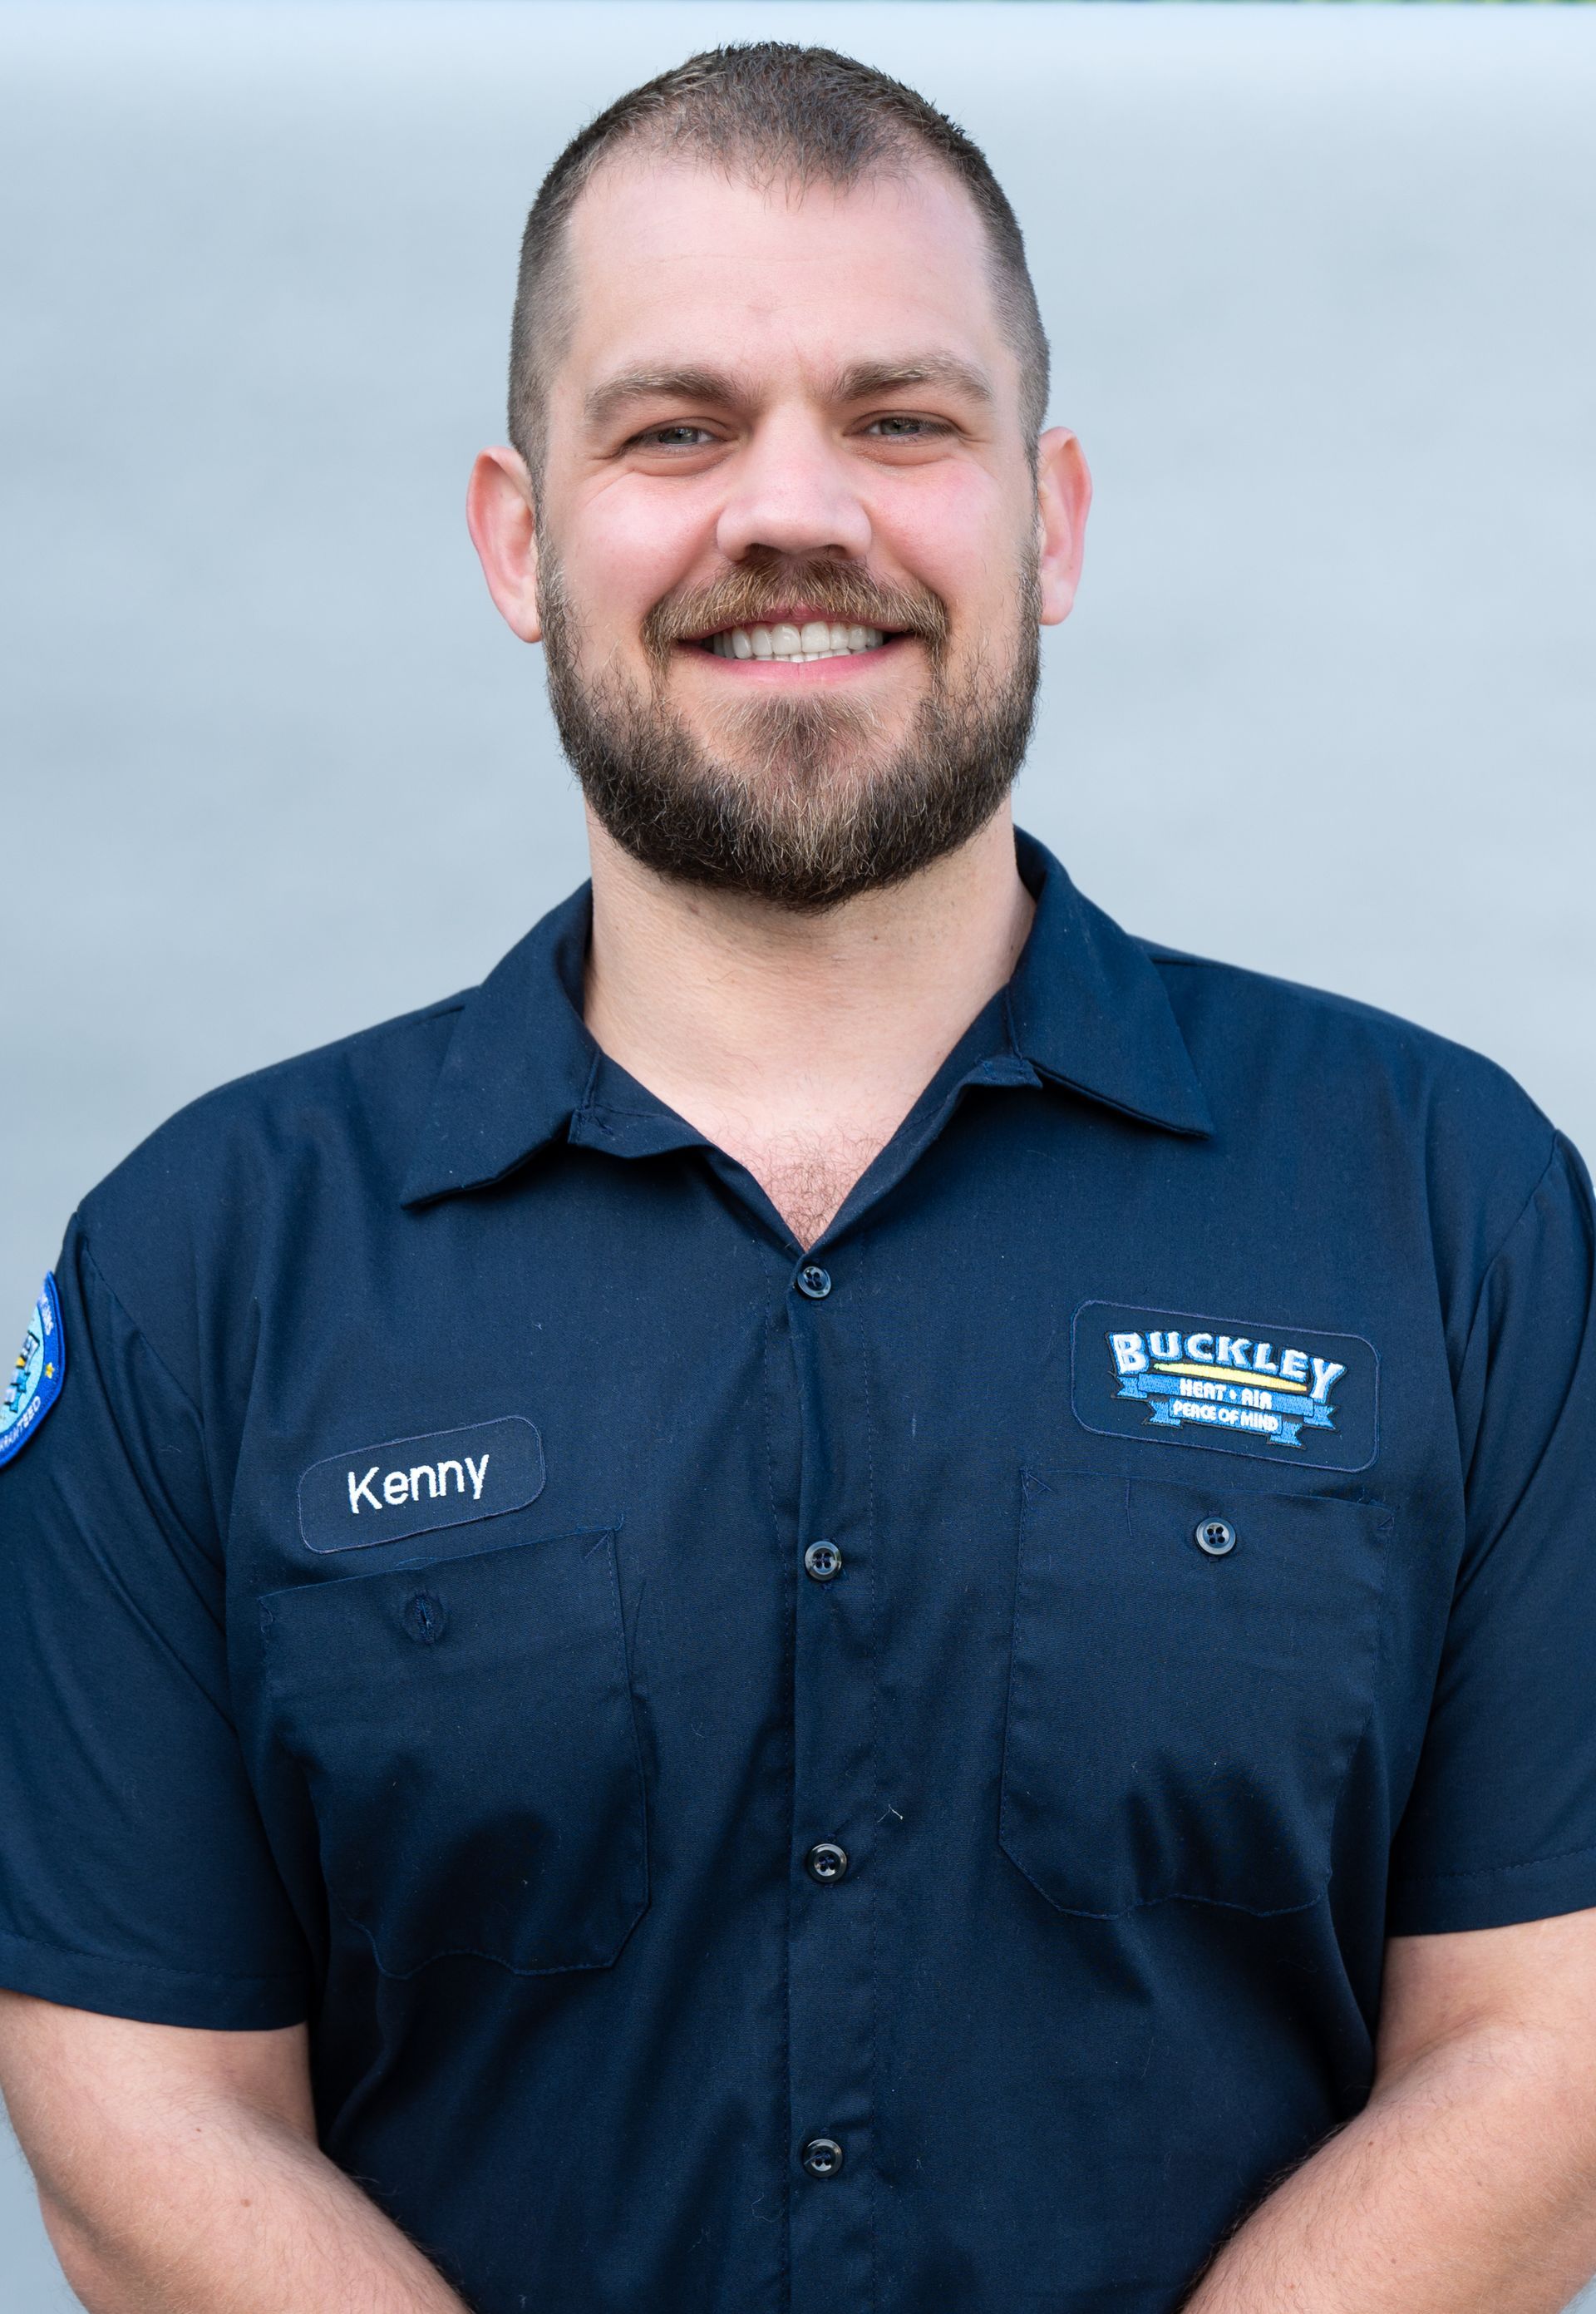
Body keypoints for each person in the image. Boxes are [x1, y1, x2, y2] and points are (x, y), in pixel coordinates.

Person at [2, 41, 1594, 2314]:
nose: (794, 512)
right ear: (517, 535)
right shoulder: (202, 1273)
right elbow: (134, 2109)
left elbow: (1555, 2049)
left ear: (1047, 519)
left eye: (900, 419)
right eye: (673, 429)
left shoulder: (1452, 1209)